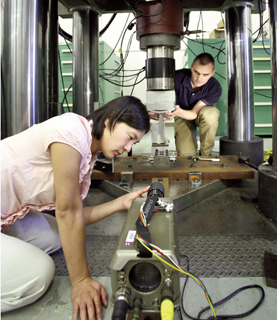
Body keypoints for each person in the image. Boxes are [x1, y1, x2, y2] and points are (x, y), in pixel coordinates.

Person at [1, 96, 150, 319]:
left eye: (134, 143)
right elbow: (67, 212)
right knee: (39, 273)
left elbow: (73, 213)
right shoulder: (71, 132)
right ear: (110, 120)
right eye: (129, 137)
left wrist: (120, 202)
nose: (128, 148)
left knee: (56, 236)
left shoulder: (87, 152)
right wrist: (80, 281)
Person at [150, 53, 222, 156]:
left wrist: (178, 112)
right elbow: (160, 98)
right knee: (186, 155)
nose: (199, 78)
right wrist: (162, 111)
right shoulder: (175, 78)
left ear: (212, 73)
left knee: (210, 115)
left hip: (199, 113)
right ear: (192, 67)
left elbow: (194, 113)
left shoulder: (215, 87)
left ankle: (206, 155)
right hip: (181, 115)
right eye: (196, 72)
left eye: (205, 75)